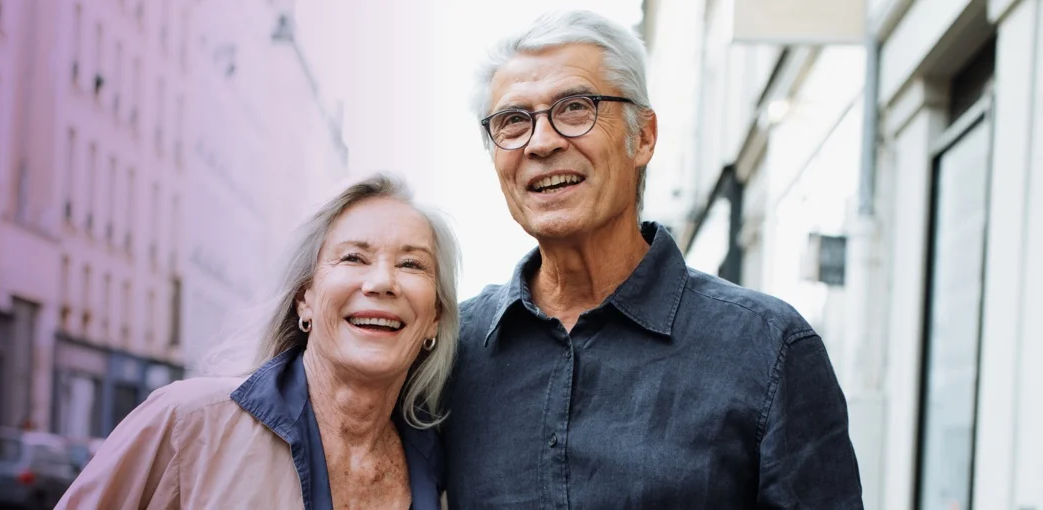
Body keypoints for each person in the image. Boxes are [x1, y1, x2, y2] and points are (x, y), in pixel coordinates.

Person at [441, 9, 864, 508]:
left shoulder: (768, 348)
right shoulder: (452, 350)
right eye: (513, 121)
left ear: (642, 136)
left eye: (575, 107)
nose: (542, 142)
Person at [59, 173, 462, 509]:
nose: (381, 283)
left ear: (435, 319)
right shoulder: (187, 423)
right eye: (354, 258)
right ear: (305, 298)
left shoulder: (446, 468)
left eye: (411, 264)